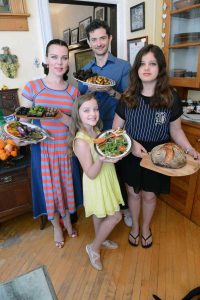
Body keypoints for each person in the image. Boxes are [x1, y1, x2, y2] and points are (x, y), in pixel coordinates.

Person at [113, 44, 200, 248]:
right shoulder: (127, 96)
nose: (146, 68)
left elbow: (176, 131)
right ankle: (135, 226)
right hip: (131, 151)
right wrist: (132, 143)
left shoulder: (170, 97)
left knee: (150, 195)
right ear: (136, 69)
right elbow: (116, 129)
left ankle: (145, 228)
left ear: (160, 68)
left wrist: (190, 149)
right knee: (133, 193)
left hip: (158, 154)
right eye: (142, 63)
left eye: (152, 63)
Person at [21, 39, 83, 248]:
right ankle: (56, 225)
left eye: (64, 58)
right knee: (50, 191)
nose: (59, 62)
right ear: (47, 60)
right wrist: (19, 134)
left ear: (68, 61)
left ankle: (67, 218)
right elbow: (23, 122)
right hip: (42, 150)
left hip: (65, 150)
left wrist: (58, 116)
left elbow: (76, 125)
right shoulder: (33, 87)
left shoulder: (73, 92)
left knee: (65, 188)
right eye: (54, 57)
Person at [78, 19, 132, 227]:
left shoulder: (122, 66)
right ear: (89, 43)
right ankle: (108, 210)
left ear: (109, 38)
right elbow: (81, 101)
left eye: (102, 38)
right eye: (94, 39)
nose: (99, 43)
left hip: (116, 127)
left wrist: (110, 91)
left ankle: (124, 208)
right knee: (102, 174)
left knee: (121, 171)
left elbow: (129, 101)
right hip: (93, 131)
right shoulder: (85, 70)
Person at [68, 93, 124, 271]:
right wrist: (101, 158)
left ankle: (101, 237)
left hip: (106, 177)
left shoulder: (95, 131)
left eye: (95, 109)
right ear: (78, 114)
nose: (92, 113)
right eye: (86, 110)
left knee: (100, 215)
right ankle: (93, 248)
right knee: (116, 216)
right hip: (96, 182)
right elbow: (91, 173)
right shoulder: (81, 141)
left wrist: (112, 157)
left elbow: (104, 155)